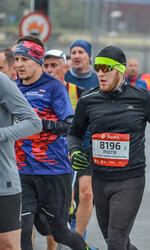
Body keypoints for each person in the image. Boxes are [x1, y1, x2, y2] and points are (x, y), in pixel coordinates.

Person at [67, 45, 150, 249]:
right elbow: (74, 133)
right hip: (100, 178)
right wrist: (75, 151)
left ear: (120, 70)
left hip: (129, 180)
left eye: (106, 69)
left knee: (115, 241)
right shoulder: (88, 100)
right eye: (97, 68)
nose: (100, 73)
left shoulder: (142, 98)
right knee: (114, 240)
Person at [14, 35, 90, 250]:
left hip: (54, 171)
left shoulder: (54, 88)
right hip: (22, 170)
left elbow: (70, 126)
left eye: (24, 60)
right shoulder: (12, 88)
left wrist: (39, 124)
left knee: (58, 232)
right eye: (16, 59)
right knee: (23, 228)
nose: (19, 65)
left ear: (37, 62)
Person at [43, 49, 87, 250]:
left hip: (69, 154)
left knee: (71, 200)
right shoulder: (35, 90)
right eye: (46, 66)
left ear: (65, 68)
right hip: (40, 155)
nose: (49, 70)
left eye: (54, 65)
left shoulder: (77, 92)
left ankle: (72, 233)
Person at [0, 72, 42, 250]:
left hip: (3, 181)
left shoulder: (2, 82)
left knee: (8, 244)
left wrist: (2, 134)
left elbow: (34, 123)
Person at [65, 39, 99, 239]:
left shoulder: (98, 80)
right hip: (65, 143)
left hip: (89, 144)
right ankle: (65, 229)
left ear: (89, 56)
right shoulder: (62, 77)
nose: (76, 56)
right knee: (67, 197)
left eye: (81, 52)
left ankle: (78, 238)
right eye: (73, 52)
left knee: (86, 193)